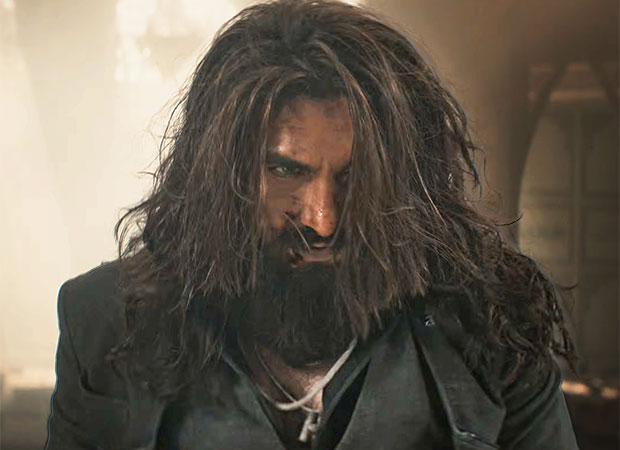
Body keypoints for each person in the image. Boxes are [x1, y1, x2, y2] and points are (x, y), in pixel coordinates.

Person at [45, 1, 580, 449]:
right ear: (220, 175)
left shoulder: (493, 323)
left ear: (407, 183)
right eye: (285, 170)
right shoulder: (106, 324)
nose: (323, 219)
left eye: (355, 176)